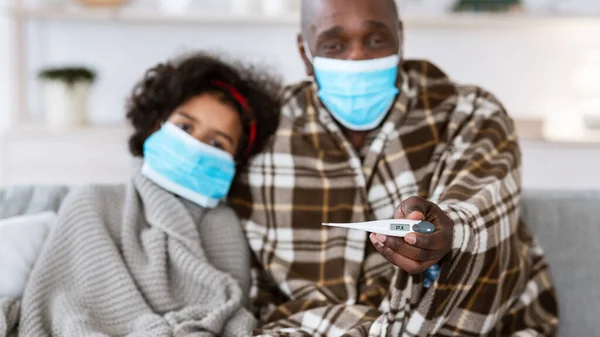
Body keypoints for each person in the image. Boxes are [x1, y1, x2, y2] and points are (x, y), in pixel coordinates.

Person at [228, 0, 559, 336]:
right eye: (334, 45)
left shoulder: (471, 114)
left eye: (375, 40)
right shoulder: (264, 130)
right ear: (305, 52)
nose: (357, 57)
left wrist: (449, 236)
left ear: (400, 39)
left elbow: (481, 212)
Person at [0, 52, 281, 337]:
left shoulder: (225, 225)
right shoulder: (92, 202)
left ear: (235, 161)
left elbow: (226, 310)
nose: (194, 145)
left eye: (216, 143)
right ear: (156, 125)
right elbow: (63, 298)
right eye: (184, 127)